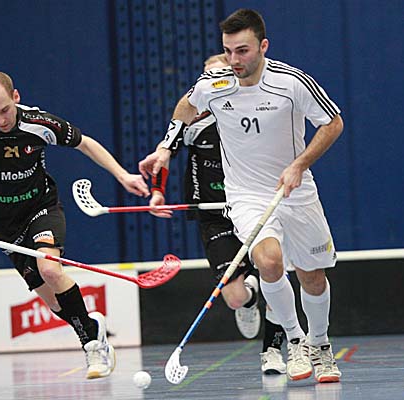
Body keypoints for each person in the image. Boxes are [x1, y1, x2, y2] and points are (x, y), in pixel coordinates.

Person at [139, 9, 343, 383]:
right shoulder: (214, 84)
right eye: (228, 51)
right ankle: (295, 340)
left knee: (313, 277)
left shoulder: (292, 82)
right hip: (247, 195)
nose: (234, 60)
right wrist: (166, 148)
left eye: (243, 51)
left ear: (263, 46)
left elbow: (332, 123)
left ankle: (321, 343)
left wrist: (299, 164)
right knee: (268, 262)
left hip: (296, 192)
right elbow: (186, 107)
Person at [0, 71, 150, 379]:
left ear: (16, 97)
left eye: (5, 110)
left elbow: (85, 143)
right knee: (53, 303)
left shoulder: (38, 123)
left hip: (41, 208)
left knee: (49, 269)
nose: (0, 120)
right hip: (3, 227)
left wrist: (122, 175)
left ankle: (92, 345)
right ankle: (92, 327)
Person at [140, 53, 287, 374]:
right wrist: (158, 192)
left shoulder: (251, 118)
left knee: (272, 271)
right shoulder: (192, 124)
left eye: (219, 76)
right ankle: (250, 298)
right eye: (206, 79)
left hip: (255, 206)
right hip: (215, 215)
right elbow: (166, 154)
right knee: (234, 297)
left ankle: (272, 350)